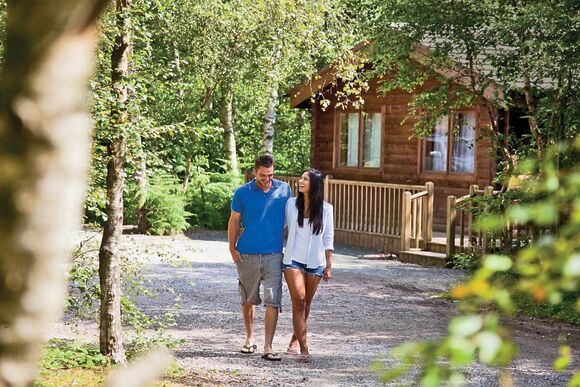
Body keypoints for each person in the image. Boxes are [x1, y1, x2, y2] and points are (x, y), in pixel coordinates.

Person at [228, 154, 292, 361]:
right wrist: (231, 248)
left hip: (274, 254)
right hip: (247, 253)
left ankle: (268, 346)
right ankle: (249, 339)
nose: (267, 179)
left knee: (273, 300)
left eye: (271, 175)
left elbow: (291, 219)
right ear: (254, 172)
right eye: (263, 175)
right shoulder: (241, 193)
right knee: (248, 299)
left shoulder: (284, 189)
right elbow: (234, 221)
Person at [283, 168, 334, 363]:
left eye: (305, 178)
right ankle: (305, 349)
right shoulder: (290, 205)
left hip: (316, 263)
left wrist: (328, 266)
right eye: (301, 178)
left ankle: (295, 339)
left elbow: (328, 239)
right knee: (299, 301)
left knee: (306, 304)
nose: (300, 181)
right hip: (292, 260)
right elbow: (279, 226)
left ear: (315, 184)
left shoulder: (326, 209)